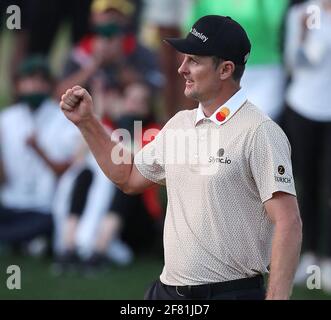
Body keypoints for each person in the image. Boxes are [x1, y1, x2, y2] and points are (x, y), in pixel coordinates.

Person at [60, 15, 302, 300]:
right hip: (166, 293)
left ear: (225, 69)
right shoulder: (179, 124)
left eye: (194, 61)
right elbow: (127, 176)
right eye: (184, 58)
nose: (181, 69)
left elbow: (289, 222)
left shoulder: (260, 132)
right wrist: (87, 122)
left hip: (230, 294)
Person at [0, 55, 80, 253]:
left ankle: (20, 241)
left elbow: (66, 171)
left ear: (49, 85)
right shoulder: (6, 119)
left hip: (43, 207)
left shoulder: (63, 119)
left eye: (39, 80)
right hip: (9, 203)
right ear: (18, 85)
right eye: (28, 80)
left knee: (42, 225)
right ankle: (20, 241)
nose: (33, 86)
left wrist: (39, 151)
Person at [282, 0, 331, 292]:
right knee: (307, 185)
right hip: (303, 108)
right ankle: (311, 257)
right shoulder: (300, 14)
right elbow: (293, 62)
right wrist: (302, 35)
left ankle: (328, 257)